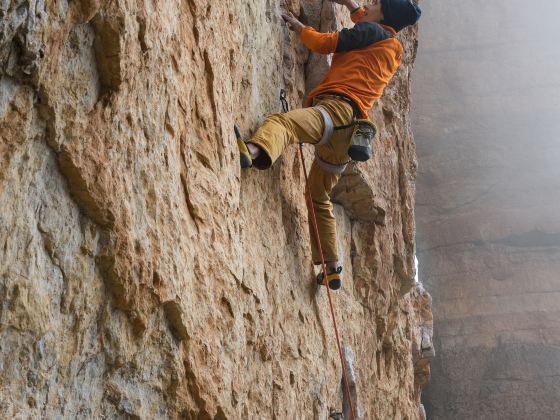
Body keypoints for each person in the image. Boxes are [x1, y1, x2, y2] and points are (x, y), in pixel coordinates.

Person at [237, 0, 421, 290]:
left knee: (283, 124)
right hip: (349, 136)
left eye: (375, 3)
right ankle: (332, 267)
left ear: (383, 14)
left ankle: (253, 151)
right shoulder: (392, 48)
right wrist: (350, 4)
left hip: (334, 112)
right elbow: (366, 23)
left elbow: (327, 43)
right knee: (317, 195)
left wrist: (301, 29)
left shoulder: (370, 33)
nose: (369, 4)